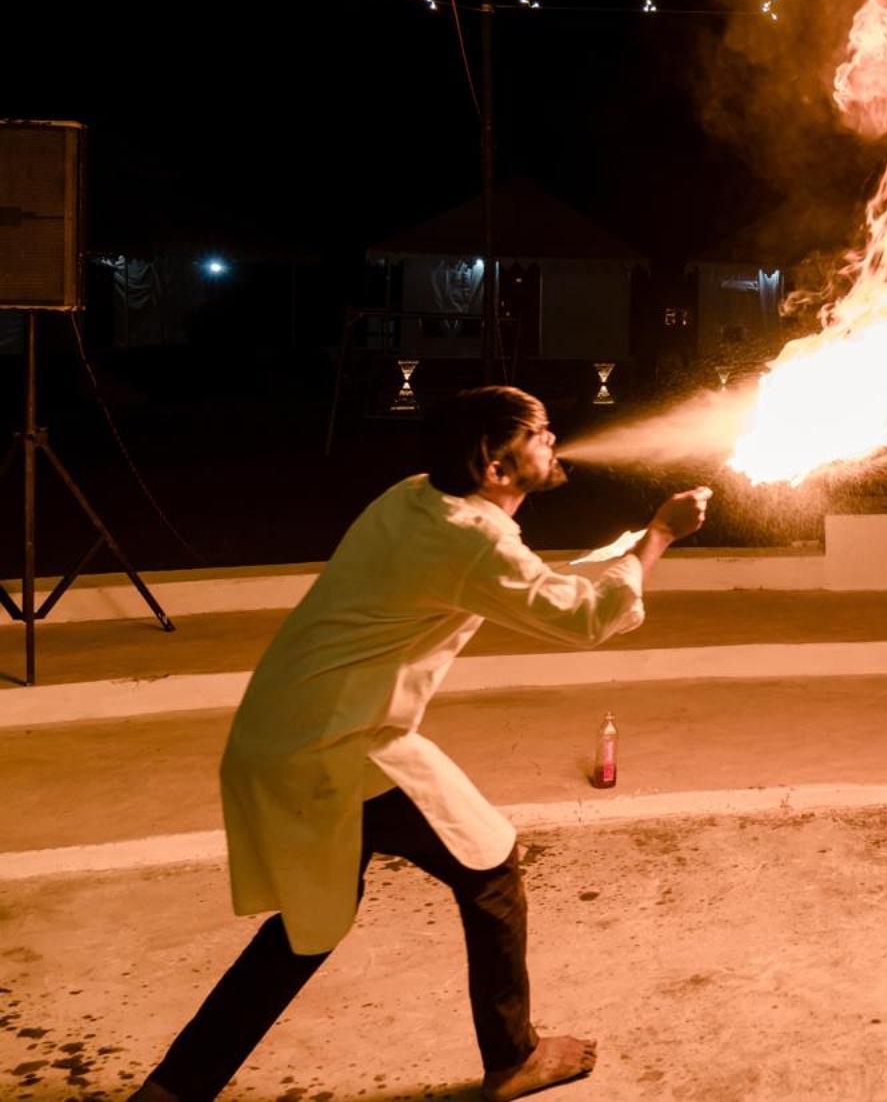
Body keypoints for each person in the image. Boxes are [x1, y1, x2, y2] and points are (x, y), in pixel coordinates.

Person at [131, 386, 710, 1102]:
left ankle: (172, 1090)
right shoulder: (472, 539)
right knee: (488, 864)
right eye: (542, 435)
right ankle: (513, 1058)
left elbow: (526, 580)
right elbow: (585, 619)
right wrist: (659, 535)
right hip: (340, 744)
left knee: (308, 930)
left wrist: (623, 548)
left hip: (297, 731)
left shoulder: (415, 498)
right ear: (496, 467)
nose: (556, 443)